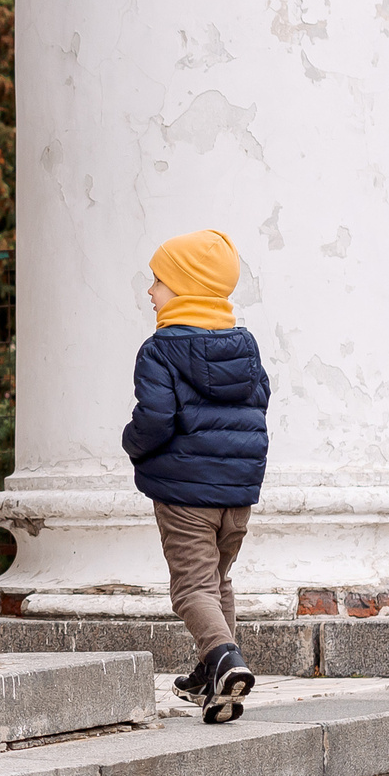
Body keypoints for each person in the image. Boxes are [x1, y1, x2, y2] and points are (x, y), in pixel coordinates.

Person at [121, 227, 271, 725]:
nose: (150, 291)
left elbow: (156, 419)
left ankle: (225, 659)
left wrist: (132, 442)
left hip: (184, 492)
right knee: (218, 580)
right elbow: (260, 403)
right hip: (237, 494)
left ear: (184, 287)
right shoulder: (244, 347)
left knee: (191, 590)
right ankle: (212, 679)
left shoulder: (159, 350)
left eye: (158, 280)